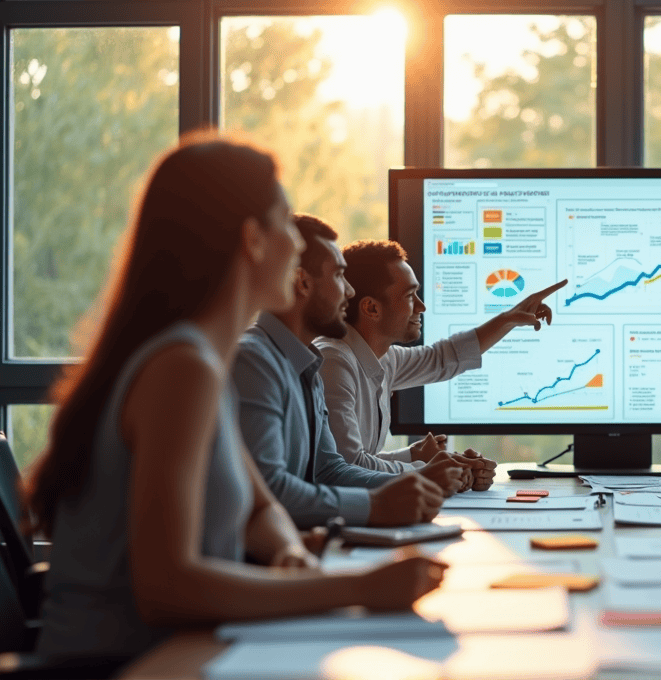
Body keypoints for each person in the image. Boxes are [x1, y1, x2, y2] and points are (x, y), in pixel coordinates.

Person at [23, 135, 446, 658]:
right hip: (131, 667)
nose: (296, 246)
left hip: (186, 649)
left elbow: (259, 507)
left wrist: (290, 551)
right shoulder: (183, 368)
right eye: (286, 225)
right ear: (253, 241)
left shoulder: (204, 362)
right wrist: (358, 588)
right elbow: (166, 588)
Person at [232, 214, 456, 530]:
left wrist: (418, 478)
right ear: (304, 283)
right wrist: (377, 504)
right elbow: (271, 489)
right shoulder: (254, 362)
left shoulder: (306, 363)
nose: (349, 292)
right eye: (339, 275)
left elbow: (330, 470)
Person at [315, 238, 566, 486]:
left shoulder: (382, 358)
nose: (421, 307)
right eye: (410, 296)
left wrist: (419, 457)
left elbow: (441, 359)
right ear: (371, 308)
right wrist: (432, 469)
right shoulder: (334, 363)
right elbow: (347, 468)